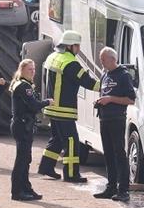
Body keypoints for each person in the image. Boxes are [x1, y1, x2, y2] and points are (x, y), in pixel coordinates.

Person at [37, 30, 100, 182]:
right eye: (77, 46)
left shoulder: (52, 57)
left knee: (57, 139)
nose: (78, 49)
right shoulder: (70, 63)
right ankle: (71, 174)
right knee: (72, 141)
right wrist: (107, 87)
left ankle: (46, 167)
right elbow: (87, 81)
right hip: (64, 109)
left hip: (52, 107)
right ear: (71, 46)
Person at [93, 47, 136, 202]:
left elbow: (131, 99)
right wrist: (100, 102)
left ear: (112, 59)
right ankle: (111, 187)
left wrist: (110, 99)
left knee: (119, 153)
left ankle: (123, 190)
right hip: (104, 118)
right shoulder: (104, 74)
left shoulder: (124, 76)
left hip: (117, 119)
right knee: (108, 154)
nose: (101, 62)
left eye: (103, 59)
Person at [9, 59, 53, 201]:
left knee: (26, 159)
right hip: (22, 125)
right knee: (22, 160)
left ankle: (26, 188)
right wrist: (47, 102)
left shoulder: (24, 85)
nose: (33, 72)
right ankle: (17, 191)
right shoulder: (23, 86)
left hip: (23, 125)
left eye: (34, 69)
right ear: (22, 70)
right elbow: (34, 106)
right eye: (30, 69)